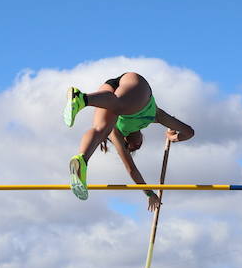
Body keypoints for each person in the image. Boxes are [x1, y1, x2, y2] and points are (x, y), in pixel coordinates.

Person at [63, 71, 195, 207]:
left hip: (112, 94)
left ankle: (81, 160)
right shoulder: (154, 116)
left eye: (134, 147)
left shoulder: (115, 133)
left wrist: (149, 194)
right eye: (140, 145)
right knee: (118, 105)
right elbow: (189, 132)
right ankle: (81, 99)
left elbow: (131, 169)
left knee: (100, 130)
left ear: (127, 143)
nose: (138, 144)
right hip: (132, 85)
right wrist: (173, 137)